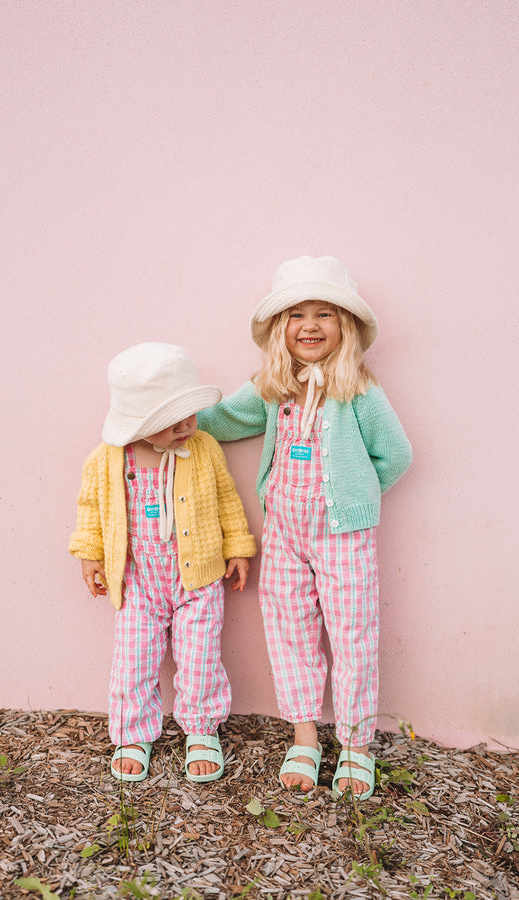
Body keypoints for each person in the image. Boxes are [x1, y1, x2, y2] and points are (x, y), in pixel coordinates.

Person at [197, 256, 412, 799]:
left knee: (352, 636)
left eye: (324, 314)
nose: (310, 326)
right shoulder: (272, 386)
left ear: (346, 326)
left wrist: (353, 498)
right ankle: (305, 735)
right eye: (296, 314)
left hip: (342, 536)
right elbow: (224, 420)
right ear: (279, 328)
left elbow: (396, 454)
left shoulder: (357, 389)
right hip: (286, 534)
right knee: (289, 631)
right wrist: (170, 416)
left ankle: (357, 745)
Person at [69, 343, 256, 784]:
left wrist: (239, 547)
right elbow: (90, 508)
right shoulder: (109, 459)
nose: (188, 428)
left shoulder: (204, 448)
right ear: (142, 424)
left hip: (200, 577)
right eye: (174, 425)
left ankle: (201, 729)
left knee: (200, 658)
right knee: (134, 660)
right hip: (138, 581)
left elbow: (227, 498)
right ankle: (133, 734)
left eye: (191, 417)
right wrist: (90, 554)